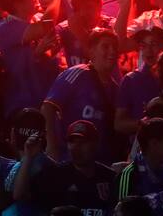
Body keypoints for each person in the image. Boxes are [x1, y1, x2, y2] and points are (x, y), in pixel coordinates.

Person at [41, 28, 120, 161]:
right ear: (91, 51)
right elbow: (48, 107)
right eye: (105, 46)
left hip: (98, 164)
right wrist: (51, 146)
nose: (112, 51)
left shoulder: (116, 89)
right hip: (68, 159)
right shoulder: (77, 74)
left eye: (114, 47)